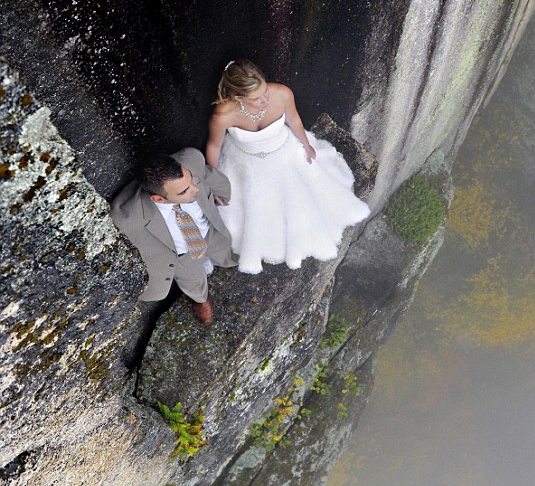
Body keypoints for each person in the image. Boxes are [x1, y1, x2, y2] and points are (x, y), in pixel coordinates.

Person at [205, 59, 370, 274]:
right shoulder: (223, 114)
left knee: (303, 204)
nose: (265, 100)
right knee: (253, 212)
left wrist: (306, 144)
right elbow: (214, 146)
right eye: (256, 98)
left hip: (284, 153)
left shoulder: (282, 94)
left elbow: (293, 119)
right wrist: (214, 180)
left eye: (265, 90)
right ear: (238, 98)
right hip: (245, 165)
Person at [110, 149, 238, 324]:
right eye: (184, 191)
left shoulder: (190, 160)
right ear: (158, 199)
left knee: (225, 251)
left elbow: (208, 175)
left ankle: (225, 260)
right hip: (183, 254)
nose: (195, 189)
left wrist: (222, 193)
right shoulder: (128, 218)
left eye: (191, 179)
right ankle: (201, 298)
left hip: (208, 229)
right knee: (192, 280)